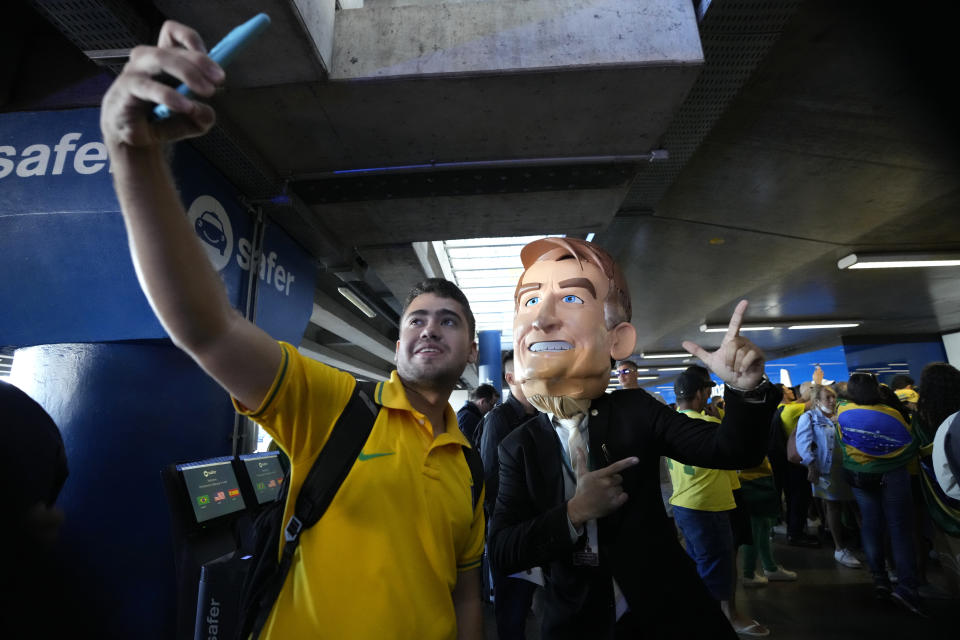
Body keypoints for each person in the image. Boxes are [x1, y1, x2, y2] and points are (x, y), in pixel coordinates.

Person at [99, 21, 484, 639]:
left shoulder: (470, 465)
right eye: (416, 319)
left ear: (470, 350)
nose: (429, 330)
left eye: (449, 322)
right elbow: (209, 330)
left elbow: (465, 588)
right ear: (398, 342)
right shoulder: (334, 406)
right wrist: (134, 155)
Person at [488, 237, 780, 639]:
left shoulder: (636, 411)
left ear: (618, 340)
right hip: (575, 620)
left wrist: (746, 392)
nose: (541, 320)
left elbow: (732, 450)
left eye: (572, 299)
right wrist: (575, 512)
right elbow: (503, 549)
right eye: (530, 302)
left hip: (665, 612)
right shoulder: (517, 446)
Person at [668, 368, 769, 637]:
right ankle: (721, 621)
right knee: (719, 567)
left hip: (684, 503)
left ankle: (697, 615)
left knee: (699, 562)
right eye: (707, 390)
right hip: (709, 505)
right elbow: (742, 452)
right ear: (700, 393)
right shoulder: (709, 427)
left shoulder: (670, 425)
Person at [837, 373, 922, 616]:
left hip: (860, 476)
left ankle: (879, 580)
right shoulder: (891, 413)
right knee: (899, 530)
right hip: (893, 476)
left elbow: (842, 443)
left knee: (871, 525)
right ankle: (907, 587)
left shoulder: (842, 412)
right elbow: (909, 444)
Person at [478, 350, 540, 639]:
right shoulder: (498, 420)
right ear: (511, 378)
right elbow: (490, 478)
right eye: (526, 369)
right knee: (512, 613)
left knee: (535, 607)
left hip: (542, 527)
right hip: (512, 529)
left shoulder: (543, 415)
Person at [794, 384, 860, 568]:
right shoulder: (809, 418)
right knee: (833, 508)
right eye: (827, 398)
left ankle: (869, 546)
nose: (832, 401)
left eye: (833, 397)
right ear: (817, 401)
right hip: (827, 470)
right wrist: (811, 464)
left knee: (857, 507)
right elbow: (803, 443)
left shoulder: (843, 415)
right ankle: (840, 548)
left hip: (850, 468)